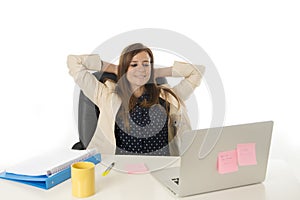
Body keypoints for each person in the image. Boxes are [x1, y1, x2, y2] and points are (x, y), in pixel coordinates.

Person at [67, 43, 205, 156]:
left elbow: (197, 71)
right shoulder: (106, 95)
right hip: (122, 169)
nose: (141, 69)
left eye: (146, 64)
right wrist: (116, 68)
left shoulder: (168, 96)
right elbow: (74, 62)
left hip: (161, 167)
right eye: (134, 64)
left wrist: (157, 72)